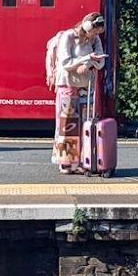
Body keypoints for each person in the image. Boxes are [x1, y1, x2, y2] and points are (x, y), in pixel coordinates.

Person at [45, 12, 108, 173]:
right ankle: (66, 163)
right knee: (68, 124)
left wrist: (87, 63)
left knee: (84, 124)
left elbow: (100, 62)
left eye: (98, 32)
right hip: (67, 84)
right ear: (87, 26)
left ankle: (81, 160)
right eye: (94, 31)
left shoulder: (95, 39)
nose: (95, 35)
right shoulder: (68, 37)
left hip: (86, 85)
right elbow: (65, 62)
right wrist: (87, 59)